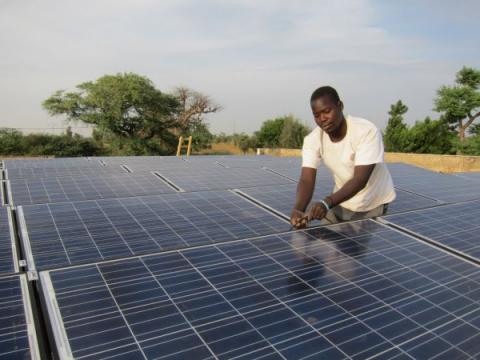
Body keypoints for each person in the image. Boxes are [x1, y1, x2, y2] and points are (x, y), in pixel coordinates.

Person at [290, 86, 396, 228]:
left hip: (371, 204)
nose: (322, 119)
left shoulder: (366, 132)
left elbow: (360, 180)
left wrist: (326, 203)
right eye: (316, 115)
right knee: (324, 244)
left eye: (327, 111)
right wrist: (298, 209)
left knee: (358, 249)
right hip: (341, 201)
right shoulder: (313, 139)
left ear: (340, 106)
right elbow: (306, 179)